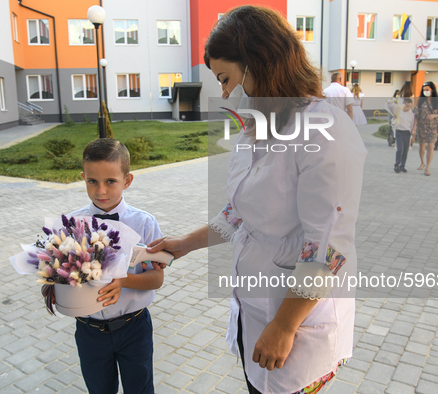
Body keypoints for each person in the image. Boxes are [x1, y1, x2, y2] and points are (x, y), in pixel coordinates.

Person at [148, 5, 366, 394]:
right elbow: (239, 213)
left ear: (257, 62)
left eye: (227, 78)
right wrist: (184, 245)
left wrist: (284, 325)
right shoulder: (260, 128)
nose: (226, 92)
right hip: (256, 308)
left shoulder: (326, 131)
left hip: (296, 322)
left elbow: (329, 248)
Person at [68, 138, 164, 393]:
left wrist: (123, 281)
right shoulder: (71, 225)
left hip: (134, 328)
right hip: (89, 331)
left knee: (140, 389)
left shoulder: (145, 223)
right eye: (92, 181)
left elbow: (156, 279)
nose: (101, 191)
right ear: (83, 178)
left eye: (110, 181)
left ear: (127, 180)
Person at [412, 81, 438, 176]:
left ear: (432, 90)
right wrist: (414, 127)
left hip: (432, 128)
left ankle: (427, 167)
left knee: (430, 147)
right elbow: (416, 115)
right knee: (422, 147)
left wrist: (433, 116)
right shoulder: (421, 101)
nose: (425, 91)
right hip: (422, 127)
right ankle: (422, 162)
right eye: (424, 90)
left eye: (427, 90)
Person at [386, 97, 415, 173]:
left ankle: (402, 165)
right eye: (406, 106)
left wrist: (412, 135)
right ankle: (396, 165)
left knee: (405, 150)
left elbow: (412, 125)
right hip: (399, 132)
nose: (408, 108)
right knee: (400, 149)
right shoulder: (398, 112)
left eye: (409, 106)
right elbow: (393, 123)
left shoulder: (411, 114)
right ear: (403, 105)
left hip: (407, 133)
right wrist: (395, 119)